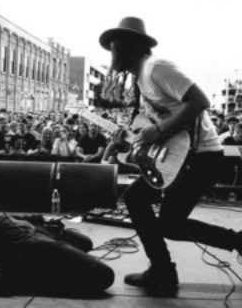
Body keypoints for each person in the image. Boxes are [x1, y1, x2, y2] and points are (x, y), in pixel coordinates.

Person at [99, 17, 242, 295]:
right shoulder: (142, 82)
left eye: (115, 47)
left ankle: (164, 271)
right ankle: (163, 270)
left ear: (132, 47)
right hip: (186, 156)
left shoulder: (157, 69)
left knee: (160, 217)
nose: (112, 54)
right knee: (162, 218)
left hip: (201, 157)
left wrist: (159, 130)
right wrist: (125, 141)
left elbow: (200, 101)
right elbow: (153, 131)